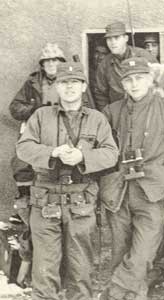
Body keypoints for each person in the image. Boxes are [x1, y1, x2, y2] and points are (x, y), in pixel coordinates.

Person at [16, 62, 119, 300]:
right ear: (56, 88)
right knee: (45, 269)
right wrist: (52, 152)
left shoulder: (97, 119)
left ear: (83, 87)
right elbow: (23, 148)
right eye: (64, 82)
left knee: (81, 269)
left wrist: (83, 156)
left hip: (81, 203)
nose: (69, 87)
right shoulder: (41, 116)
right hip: (45, 203)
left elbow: (111, 154)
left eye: (75, 82)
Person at [99, 56, 164, 300]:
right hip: (118, 194)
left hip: (152, 193)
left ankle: (112, 293)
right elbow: (99, 151)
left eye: (139, 78)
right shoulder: (111, 112)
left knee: (142, 255)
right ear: (122, 84)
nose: (134, 84)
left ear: (150, 79)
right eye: (128, 80)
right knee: (120, 252)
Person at [10, 43, 66, 212]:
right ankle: (25, 202)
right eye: (47, 61)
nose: (51, 64)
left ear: (61, 62)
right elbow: (15, 108)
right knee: (22, 162)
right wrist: (33, 109)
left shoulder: (70, 80)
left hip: (62, 126)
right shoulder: (32, 82)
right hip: (36, 126)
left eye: (55, 60)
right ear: (42, 64)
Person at [94, 21, 158, 111]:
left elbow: (158, 85)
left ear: (126, 38)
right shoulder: (105, 64)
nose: (112, 42)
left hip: (146, 110)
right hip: (119, 113)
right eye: (109, 39)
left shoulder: (144, 56)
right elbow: (100, 94)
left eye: (116, 38)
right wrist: (108, 115)